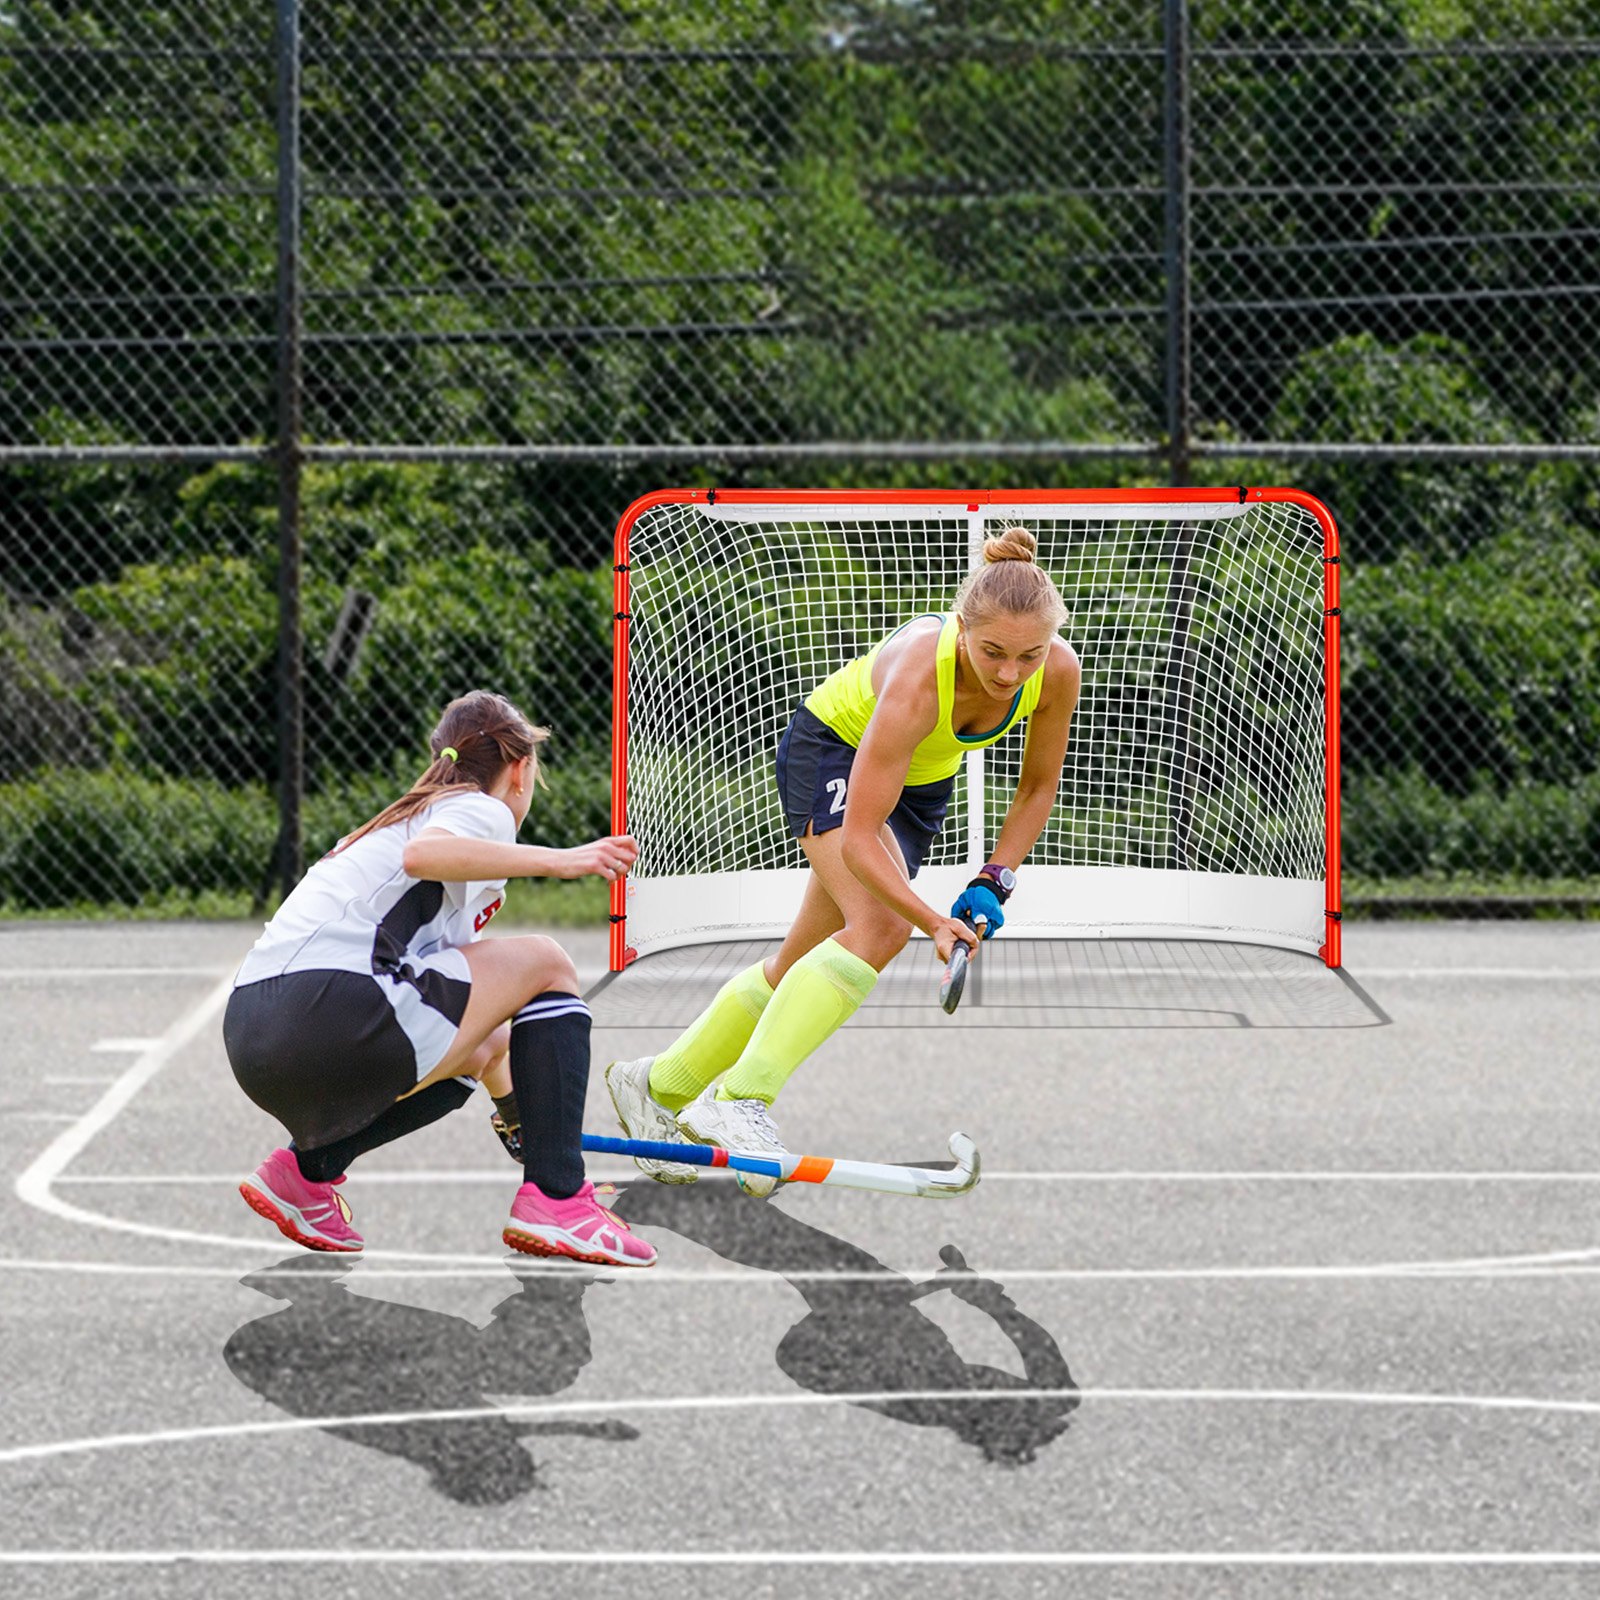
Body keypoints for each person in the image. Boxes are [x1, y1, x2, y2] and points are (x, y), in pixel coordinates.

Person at [606, 525, 1081, 1195]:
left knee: (799, 963)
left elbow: (1037, 787)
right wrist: (932, 922)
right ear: (962, 628)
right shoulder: (921, 676)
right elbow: (859, 840)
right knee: (881, 926)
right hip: (832, 752)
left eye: (1028, 655)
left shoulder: (1056, 671)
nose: (1010, 674)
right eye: (993, 652)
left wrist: (993, 879)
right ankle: (737, 1101)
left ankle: (655, 1085)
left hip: (917, 787)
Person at [225, 689, 655, 1267]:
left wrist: (527, 1125)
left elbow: (481, 1030)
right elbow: (424, 856)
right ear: (520, 768)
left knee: (484, 1044)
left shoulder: (399, 819)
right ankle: (558, 1200)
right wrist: (562, 859)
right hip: (330, 1011)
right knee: (548, 963)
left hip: (255, 1033)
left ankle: (303, 1175)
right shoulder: (479, 808)